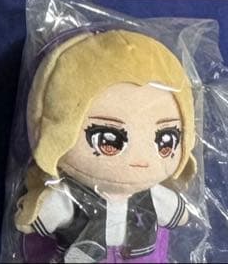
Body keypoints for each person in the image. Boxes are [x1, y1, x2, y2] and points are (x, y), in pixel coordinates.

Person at [15, 30, 195, 262]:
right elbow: (48, 213)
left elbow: (178, 213)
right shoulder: (73, 196)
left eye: (166, 141)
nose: (140, 159)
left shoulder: (151, 196)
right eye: (108, 140)